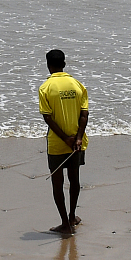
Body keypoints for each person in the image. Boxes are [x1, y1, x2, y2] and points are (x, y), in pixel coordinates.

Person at [37, 49, 89, 235]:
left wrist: (65, 139)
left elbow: (48, 118)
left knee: (57, 183)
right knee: (74, 179)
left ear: (48, 65)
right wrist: (77, 138)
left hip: (58, 143)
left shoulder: (45, 88)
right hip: (76, 142)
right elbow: (84, 115)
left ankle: (65, 224)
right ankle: (72, 216)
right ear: (64, 64)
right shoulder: (77, 85)